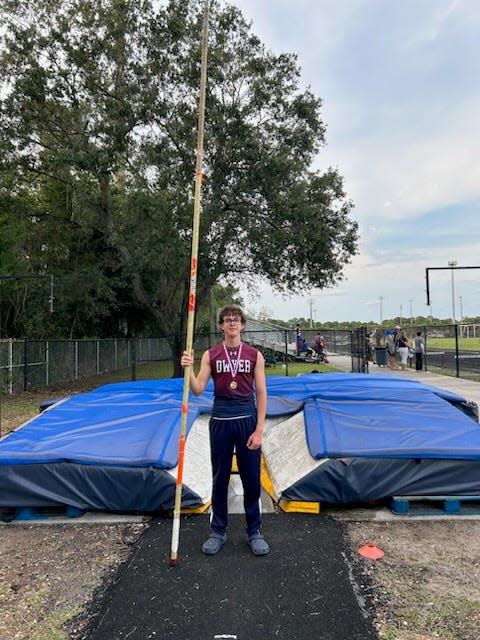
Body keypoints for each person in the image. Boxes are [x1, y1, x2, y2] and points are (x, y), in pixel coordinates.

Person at [180, 305, 269, 557]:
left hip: (247, 420)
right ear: (221, 325)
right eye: (227, 320)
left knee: (251, 478)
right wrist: (188, 368)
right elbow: (197, 389)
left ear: (242, 325)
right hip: (220, 419)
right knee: (220, 477)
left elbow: (261, 392)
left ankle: (254, 530)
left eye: (236, 320)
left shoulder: (254, 355)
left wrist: (259, 429)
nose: (232, 323)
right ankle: (218, 530)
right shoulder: (211, 354)